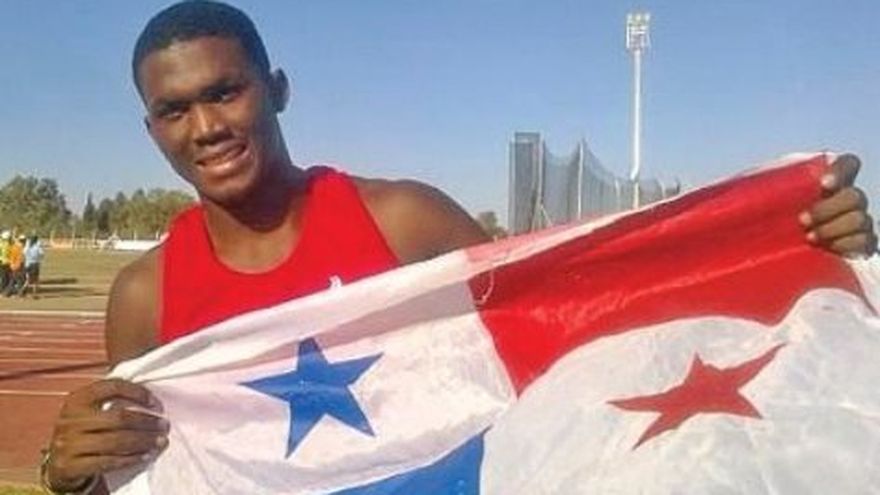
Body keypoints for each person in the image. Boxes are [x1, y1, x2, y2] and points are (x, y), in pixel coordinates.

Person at [42, 2, 876, 493]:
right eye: (175, 110)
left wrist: (788, 245)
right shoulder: (144, 296)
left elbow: (574, 331)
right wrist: (72, 471)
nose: (206, 127)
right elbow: (152, 476)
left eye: (226, 92)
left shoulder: (404, 220)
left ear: (277, 89)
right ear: (151, 128)